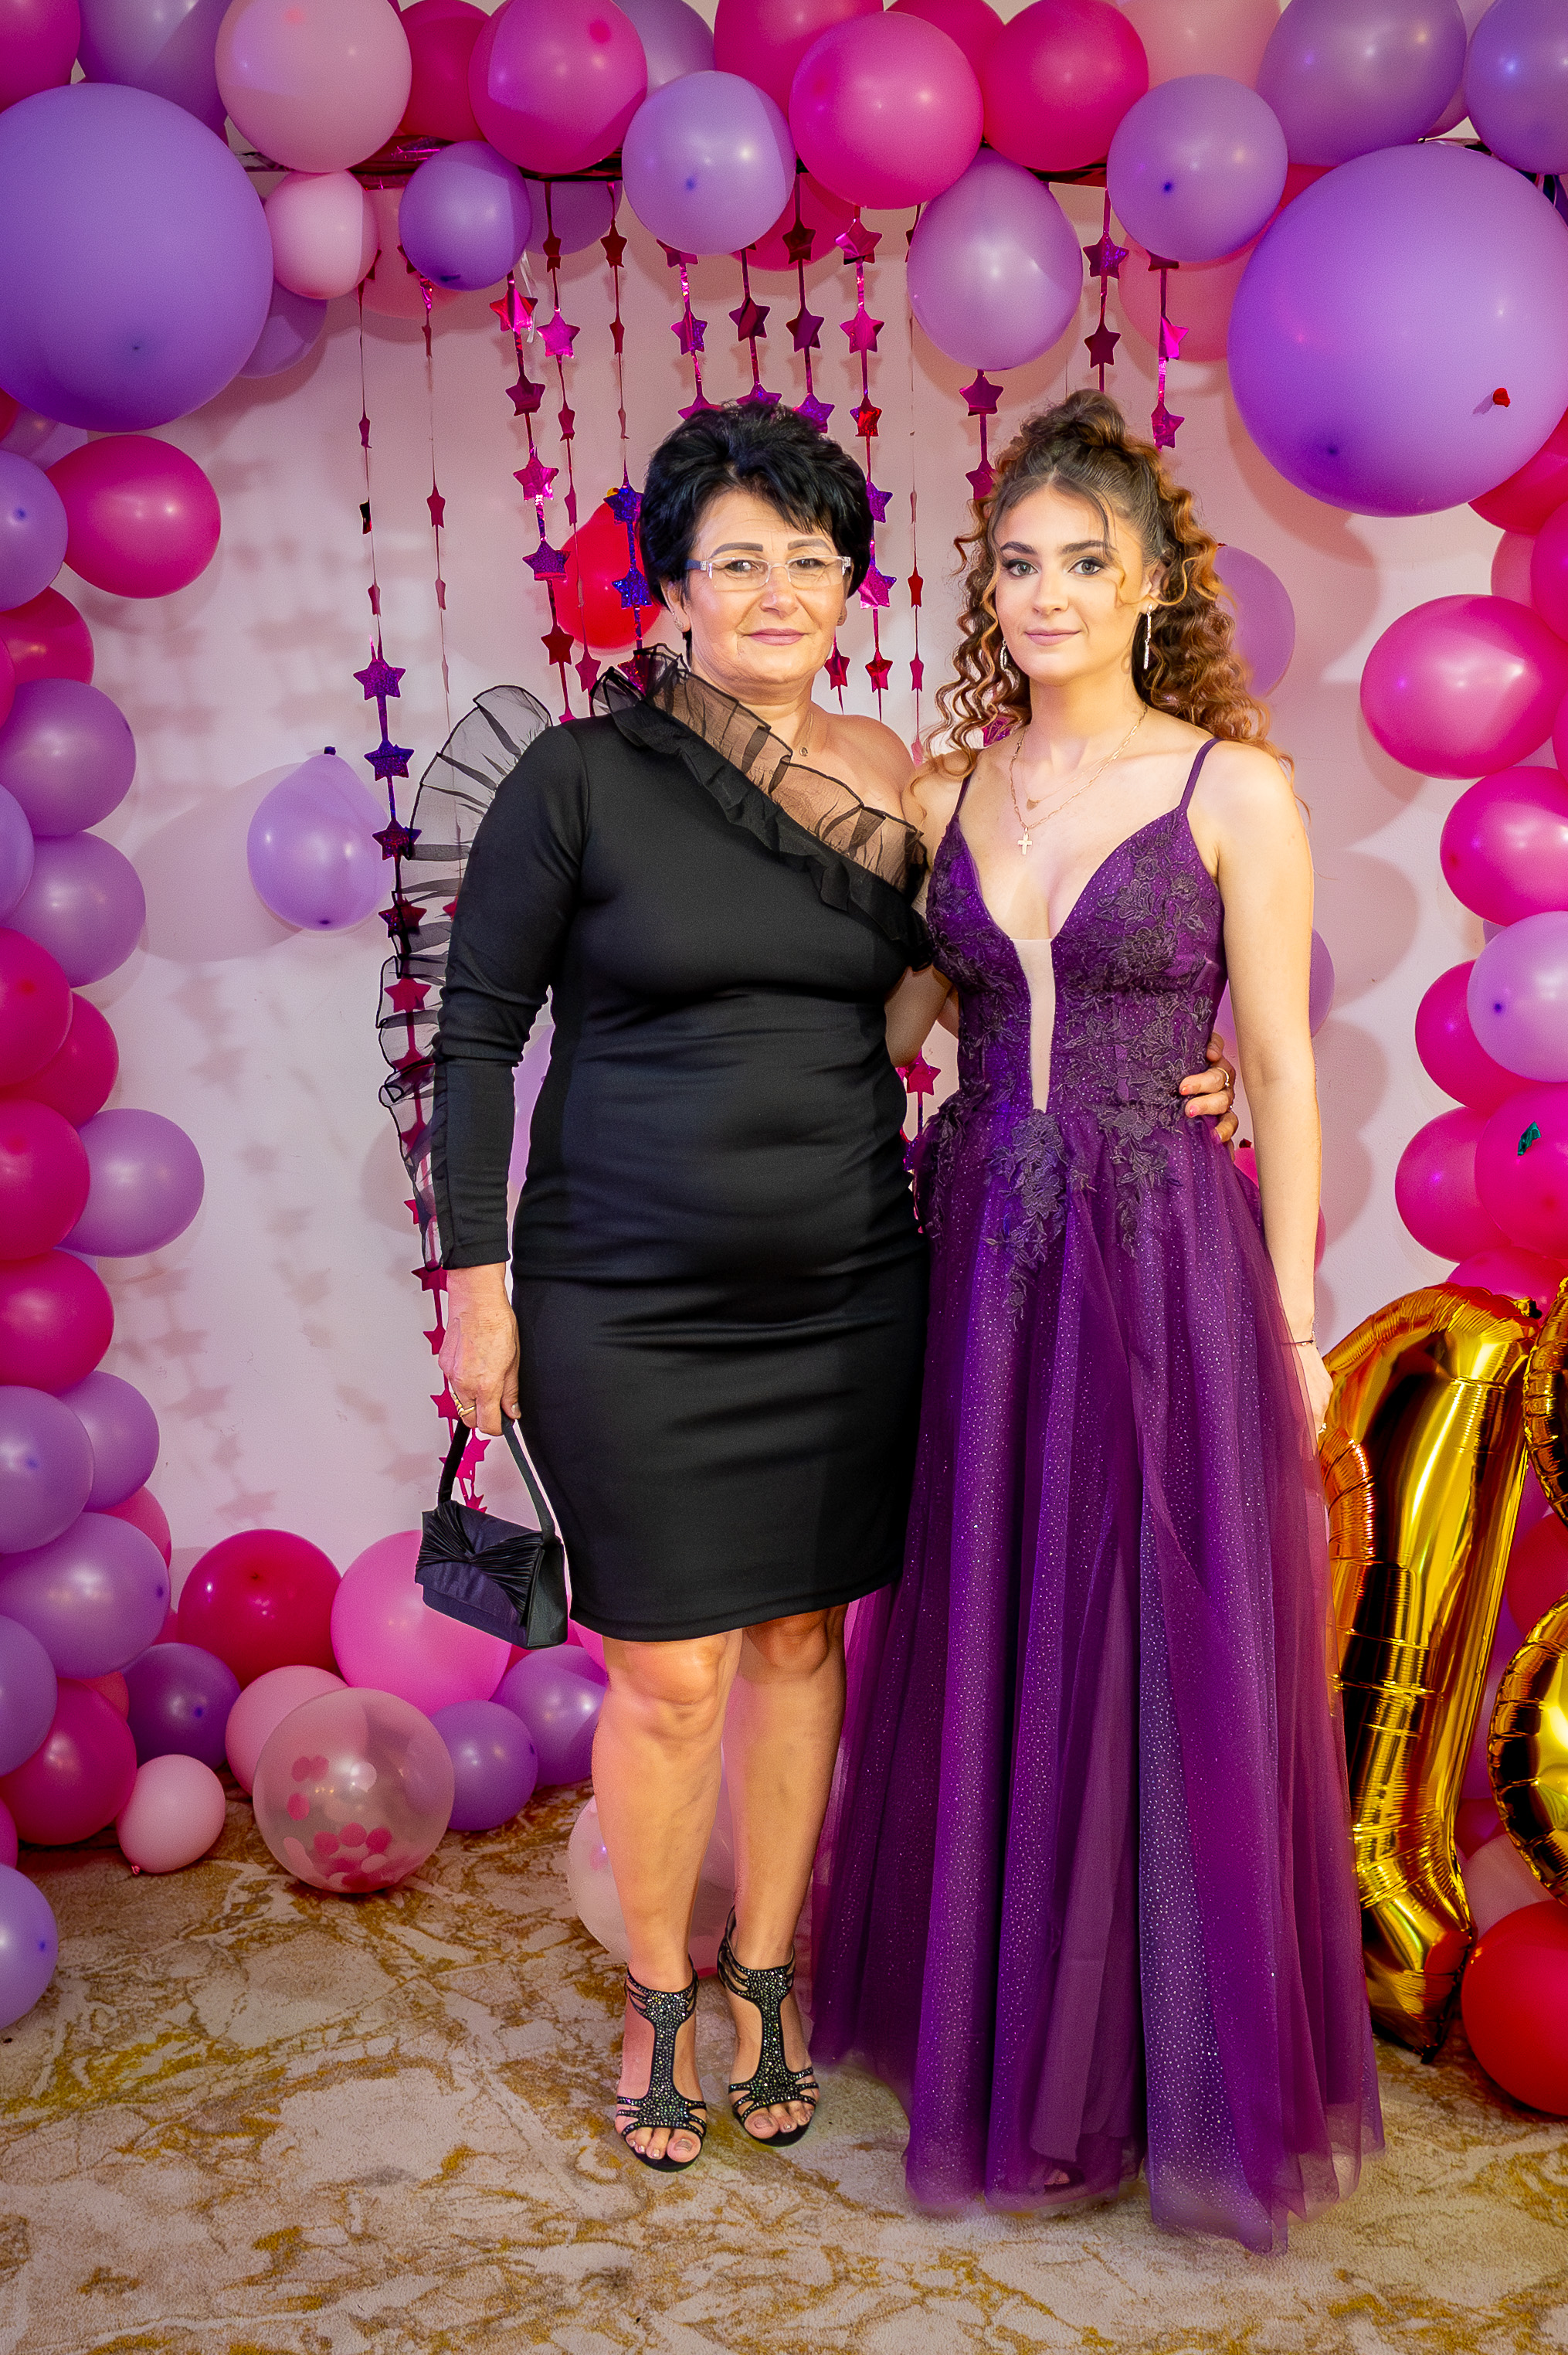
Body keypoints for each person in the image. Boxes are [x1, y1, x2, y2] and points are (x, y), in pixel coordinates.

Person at [430, 402, 1236, 2170]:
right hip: (621, 1296)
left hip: (853, 1283)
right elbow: (475, 1038)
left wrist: (1194, 1057)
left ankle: (768, 1974)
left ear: (851, 584)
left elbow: (1009, 968)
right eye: (736, 562)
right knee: (667, 1677)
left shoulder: (895, 779)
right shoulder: (577, 779)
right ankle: (657, 1992)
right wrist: (477, 1292)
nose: (777, 590)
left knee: (803, 1644)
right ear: (671, 591)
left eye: (809, 558)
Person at [811, 391, 1381, 2251]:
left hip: (1160, 1252)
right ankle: (1005, 2045)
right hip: (980, 1246)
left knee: (1149, 1639)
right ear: (987, 587)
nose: (1045, 592)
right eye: (1016, 564)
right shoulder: (948, 794)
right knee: (997, 1621)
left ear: (1149, 584)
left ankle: (1141, 2074)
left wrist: (1293, 1326)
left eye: (1083, 561)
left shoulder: (1234, 791)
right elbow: (895, 1030)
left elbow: (1278, 1072)